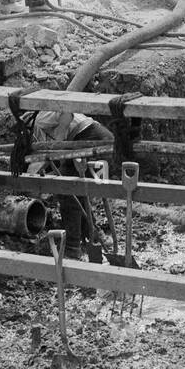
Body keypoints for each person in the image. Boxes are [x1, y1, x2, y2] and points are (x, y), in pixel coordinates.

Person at [33, 111, 117, 259]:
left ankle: (72, 247)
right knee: (78, 192)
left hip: (88, 138)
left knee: (67, 191)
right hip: (99, 136)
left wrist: (58, 143)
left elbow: (66, 114)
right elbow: (45, 157)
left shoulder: (40, 118)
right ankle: (94, 236)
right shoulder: (44, 120)